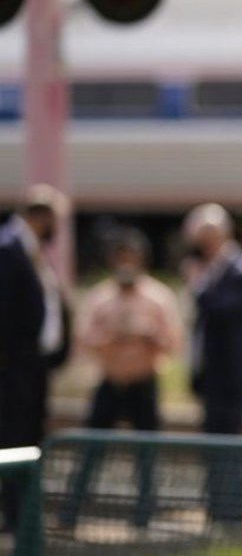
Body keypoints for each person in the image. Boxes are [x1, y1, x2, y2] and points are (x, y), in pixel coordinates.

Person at [60, 227, 182, 530]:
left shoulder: (159, 297)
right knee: (90, 452)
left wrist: (148, 336)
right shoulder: (100, 297)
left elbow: (174, 342)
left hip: (144, 382)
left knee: (147, 456)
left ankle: (144, 518)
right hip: (110, 382)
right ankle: (71, 514)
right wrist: (113, 337)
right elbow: (83, 338)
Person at [182, 203, 242, 524]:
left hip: (233, 377)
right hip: (211, 376)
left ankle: (231, 512)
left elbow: (225, 311)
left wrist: (197, 287)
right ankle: (217, 508)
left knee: (230, 444)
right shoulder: (212, 271)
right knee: (213, 445)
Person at [0, 184, 71, 533]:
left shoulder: (32, 253)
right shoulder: (8, 249)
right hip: (13, 372)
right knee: (13, 441)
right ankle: (14, 519)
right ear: (41, 216)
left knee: (28, 439)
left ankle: (22, 516)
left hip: (32, 370)